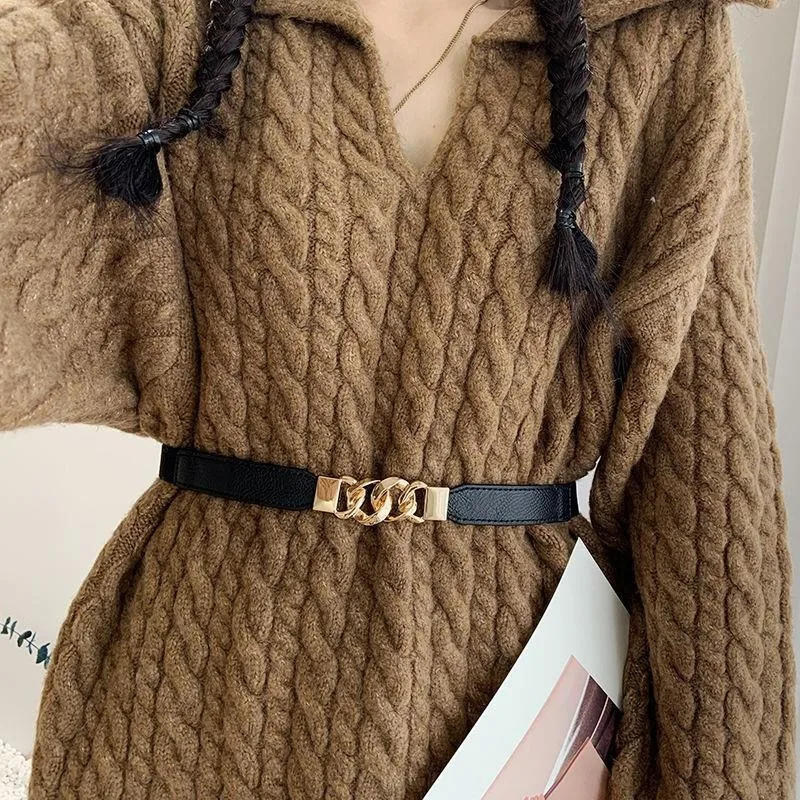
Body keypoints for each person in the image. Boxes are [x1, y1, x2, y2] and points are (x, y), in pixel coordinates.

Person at [0, 0, 794, 797]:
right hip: (187, 701)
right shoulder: (183, 20)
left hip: (509, 714)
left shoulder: (659, 38)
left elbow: (709, 486)